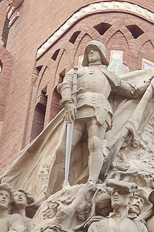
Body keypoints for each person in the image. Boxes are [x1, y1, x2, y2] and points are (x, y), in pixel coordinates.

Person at [57, 41, 145, 184]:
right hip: (77, 108)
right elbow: (65, 86)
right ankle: (52, 189)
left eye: (94, 50)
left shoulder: (108, 75)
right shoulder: (76, 72)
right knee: (62, 149)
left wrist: (149, 83)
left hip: (99, 108)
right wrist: (67, 103)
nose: (91, 53)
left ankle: (92, 181)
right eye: (89, 51)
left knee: (95, 144)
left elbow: (131, 91)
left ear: (102, 54)